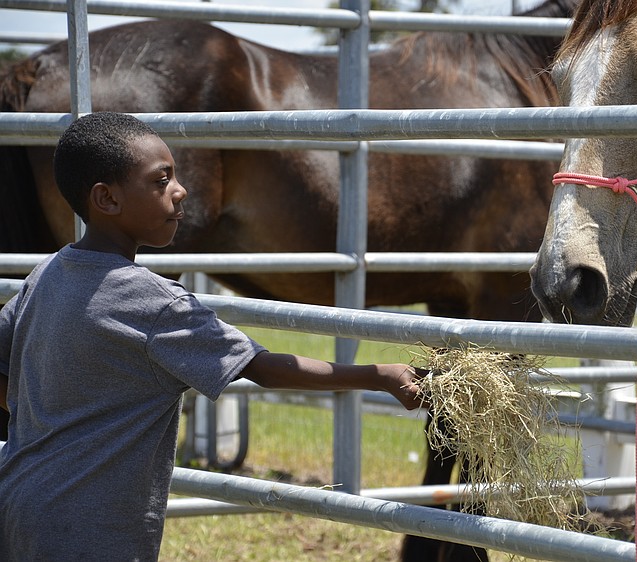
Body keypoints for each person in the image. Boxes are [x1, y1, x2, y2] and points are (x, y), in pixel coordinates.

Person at [0, 111, 424, 560]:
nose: (180, 190)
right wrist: (380, 375)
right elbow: (267, 369)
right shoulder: (157, 303)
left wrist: (41, 416)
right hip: (90, 530)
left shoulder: (46, 273)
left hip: (19, 501)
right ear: (106, 199)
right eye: (161, 181)